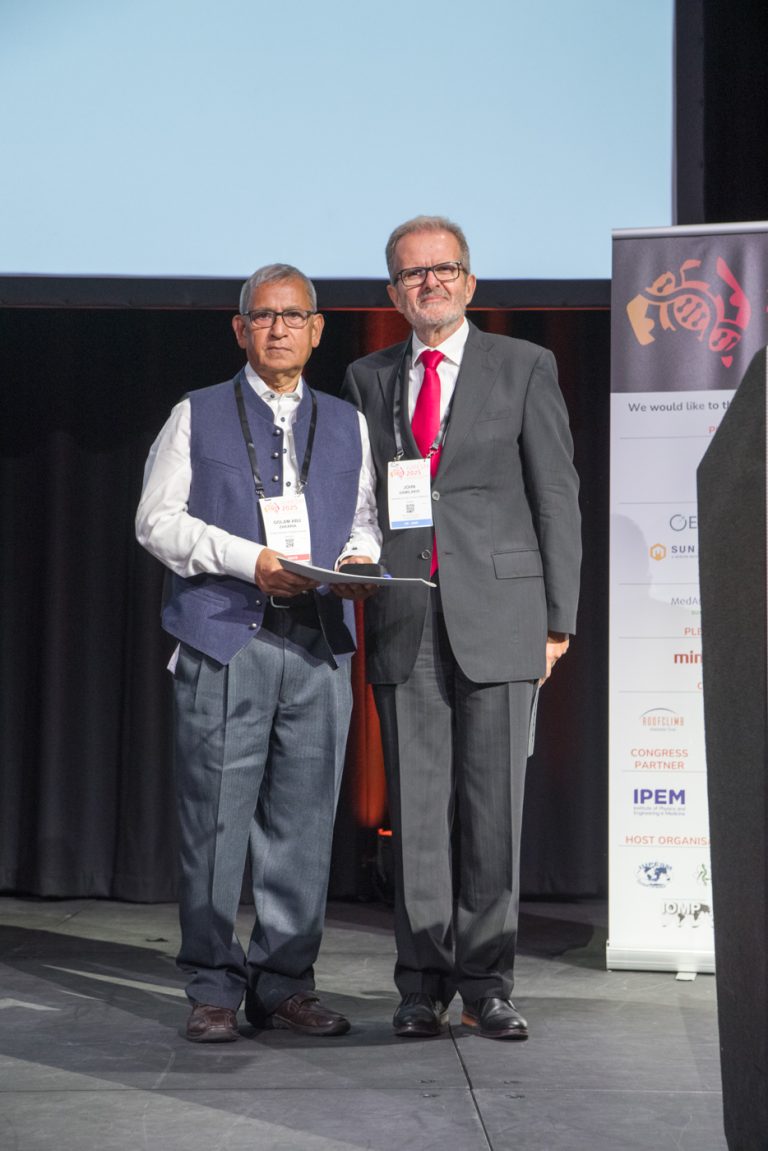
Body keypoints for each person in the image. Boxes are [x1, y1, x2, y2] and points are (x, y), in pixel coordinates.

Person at [342, 216, 581, 1041]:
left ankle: (488, 982)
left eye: (444, 269)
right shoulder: (368, 376)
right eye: (414, 274)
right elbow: (364, 494)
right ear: (394, 293)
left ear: (470, 283)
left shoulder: (524, 365)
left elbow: (556, 495)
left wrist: (559, 620)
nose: (431, 283)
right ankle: (420, 984)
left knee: (492, 811)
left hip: (504, 615)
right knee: (415, 815)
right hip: (406, 615)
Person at [136, 263, 380, 1043]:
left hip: (317, 643)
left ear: (316, 329)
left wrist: (361, 561)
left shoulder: (347, 422)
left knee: (304, 826)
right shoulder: (196, 413)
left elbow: (365, 519)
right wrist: (250, 561)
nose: (279, 329)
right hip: (223, 637)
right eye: (264, 316)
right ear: (241, 329)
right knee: (215, 824)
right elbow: (156, 521)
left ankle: (283, 983)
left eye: (293, 315)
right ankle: (213, 984)